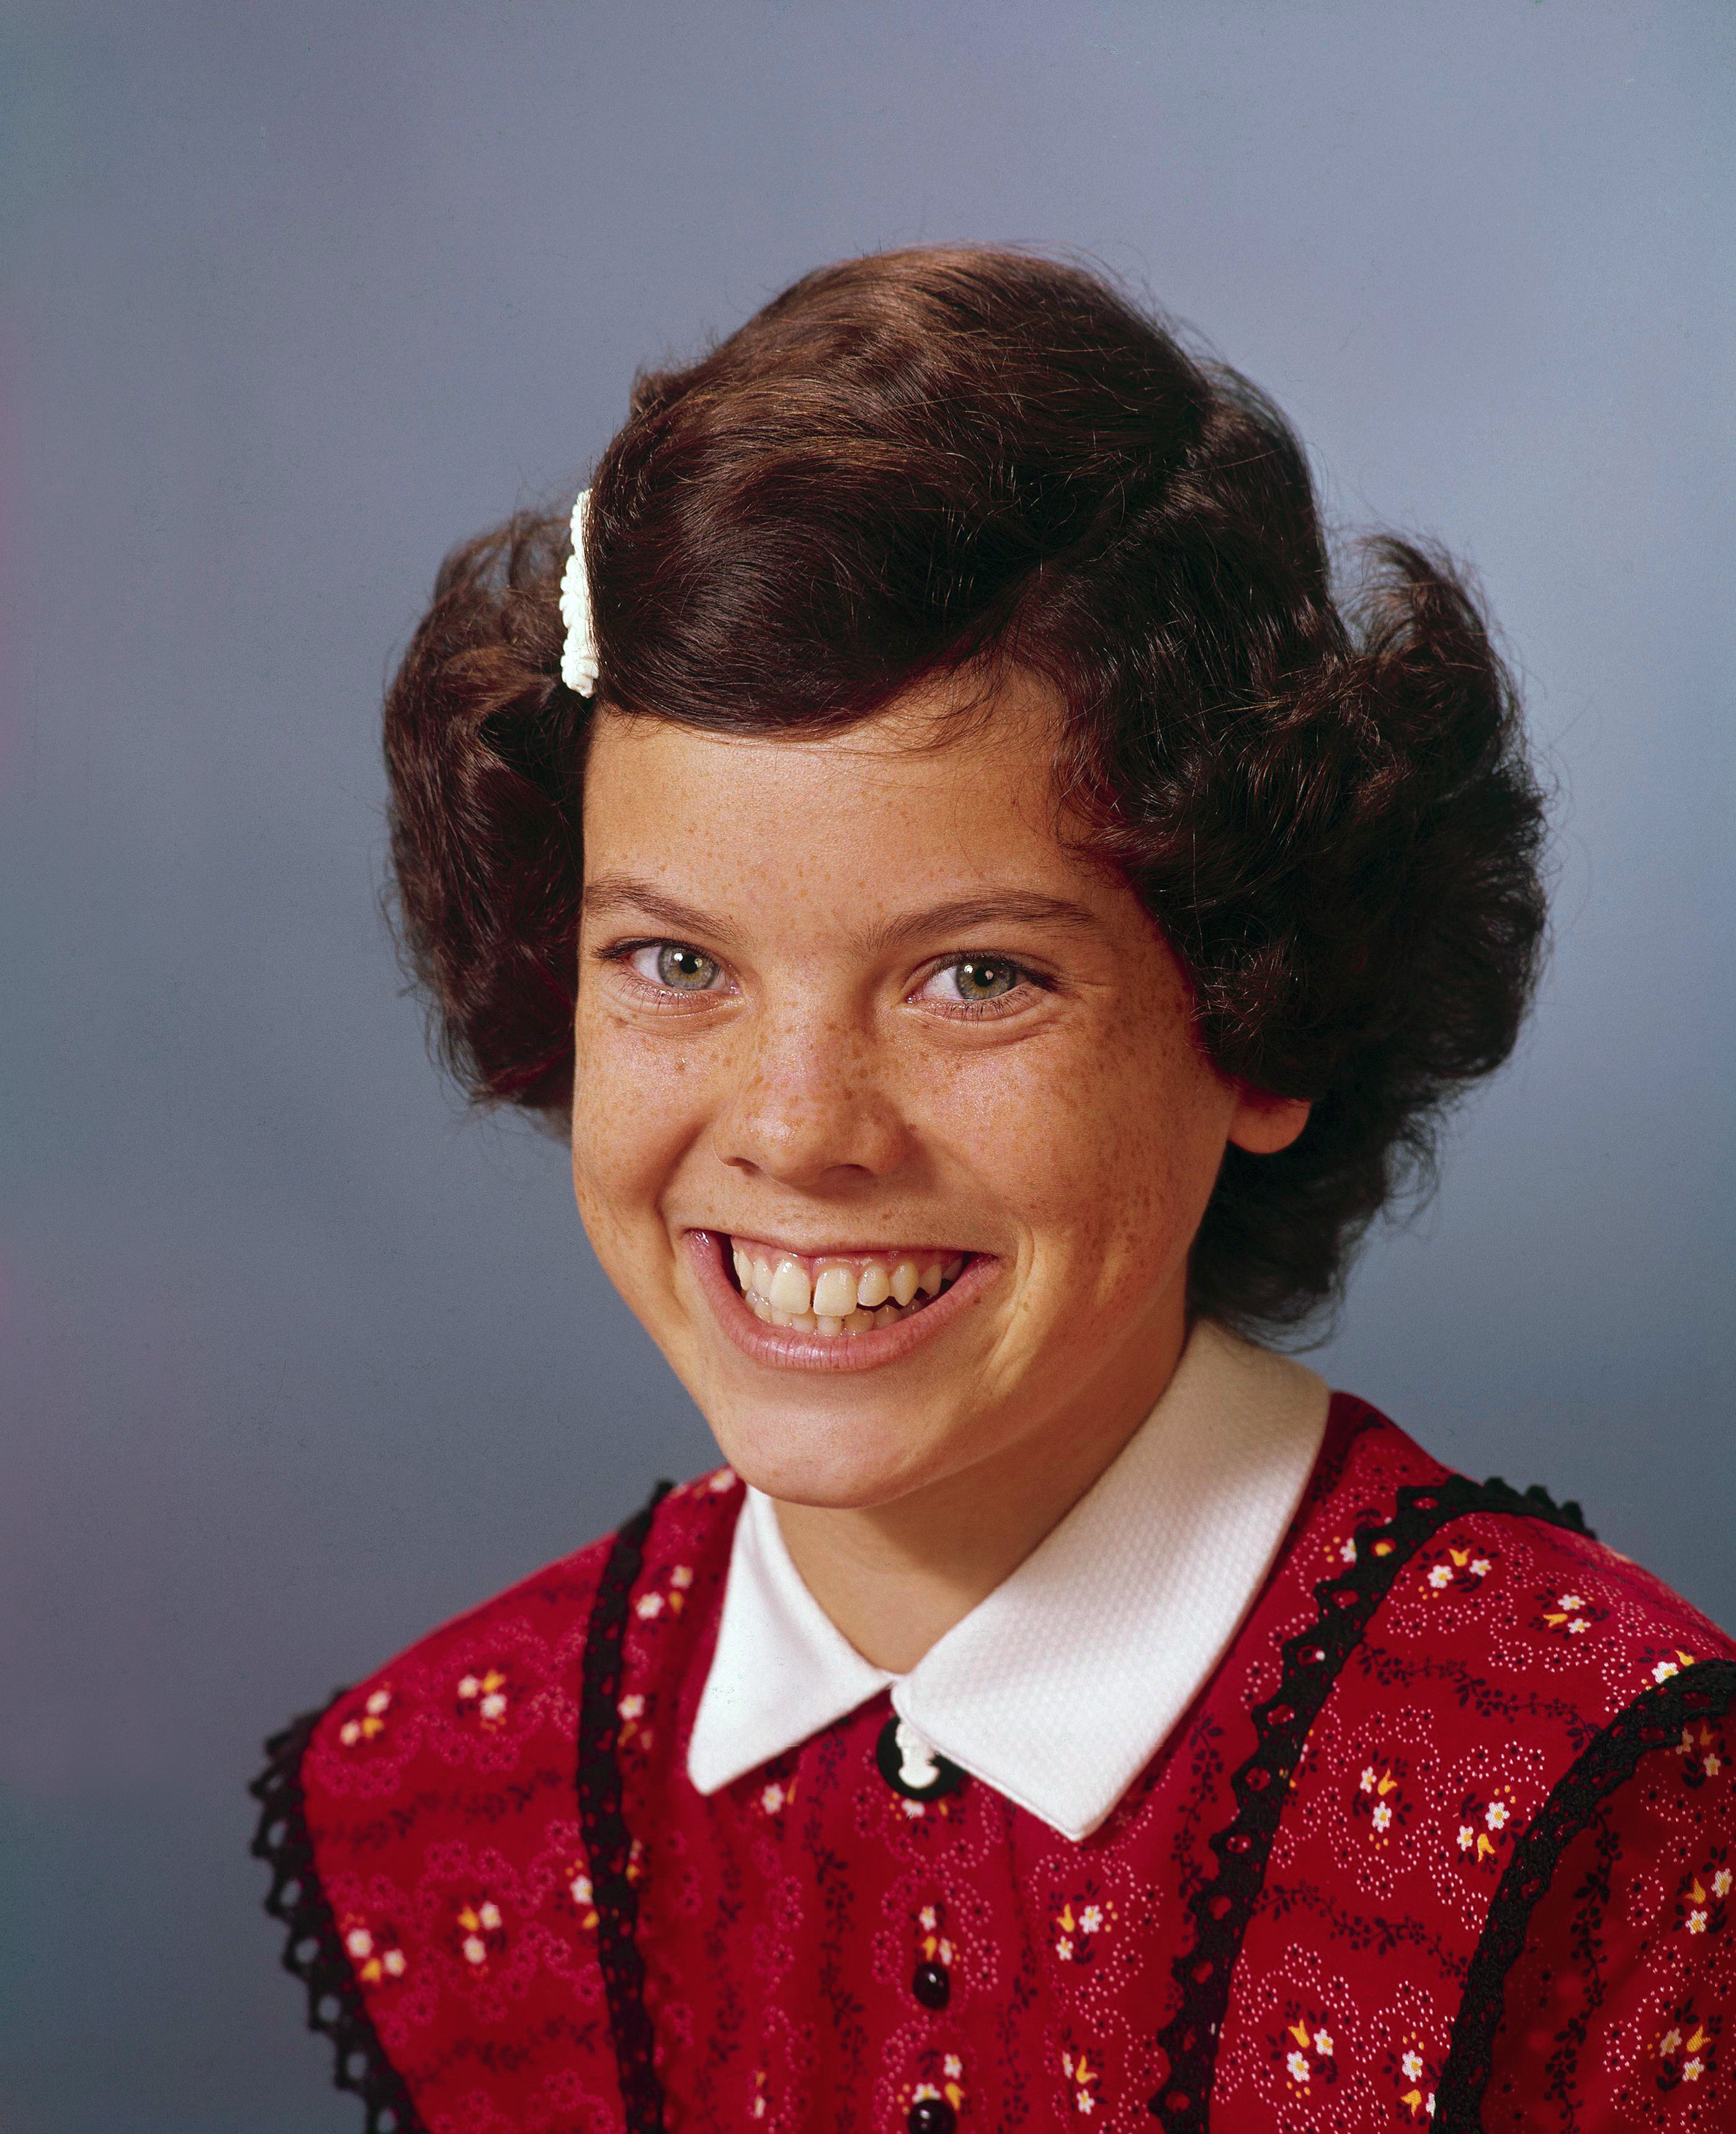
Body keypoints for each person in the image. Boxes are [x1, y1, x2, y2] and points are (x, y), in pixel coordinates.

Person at [252, 248, 1735, 2133]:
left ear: (1262, 1017)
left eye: (977, 977)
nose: (799, 1130)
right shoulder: (452, 1810)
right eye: (677, 964)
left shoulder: (1604, 1807)